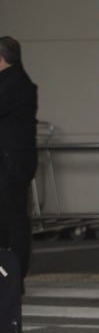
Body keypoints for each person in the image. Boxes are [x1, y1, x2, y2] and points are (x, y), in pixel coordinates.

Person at [0, 36, 38, 294]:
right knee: (11, 219)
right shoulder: (19, 81)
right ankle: (11, 277)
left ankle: (13, 278)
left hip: (9, 161)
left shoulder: (11, 84)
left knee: (11, 221)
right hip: (15, 159)